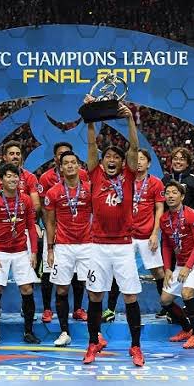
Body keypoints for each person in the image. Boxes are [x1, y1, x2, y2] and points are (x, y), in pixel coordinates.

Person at [83, 101, 144, 367]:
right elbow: (91, 145)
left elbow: (135, 148)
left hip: (123, 246)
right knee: (95, 296)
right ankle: (92, 343)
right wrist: (90, 118)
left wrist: (130, 120)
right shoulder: (95, 174)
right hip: (97, 246)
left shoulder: (128, 176)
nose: (111, 160)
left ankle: (136, 346)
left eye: (116, 158)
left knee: (130, 297)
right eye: (108, 156)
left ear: (122, 162)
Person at [0, 163, 40, 346]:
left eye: (15, 176)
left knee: (27, 289)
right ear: (0, 180)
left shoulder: (26, 200)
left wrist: (34, 252)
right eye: (8, 176)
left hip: (21, 251)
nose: (13, 179)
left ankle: (29, 332)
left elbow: (31, 227)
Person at [104, 149, 165, 323]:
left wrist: (155, 233)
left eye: (142, 159)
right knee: (118, 271)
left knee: (157, 271)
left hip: (147, 235)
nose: (138, 162)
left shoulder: (156, 183)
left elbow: (159, 209)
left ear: (149, 163)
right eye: (135, 159)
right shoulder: (123, 181)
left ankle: (166, 307)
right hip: (126, 236)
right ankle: (110, 309)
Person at [44, 151, 93, 346]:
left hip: (88, 245)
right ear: (61, 168)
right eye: (66, 163)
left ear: (79, 166)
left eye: (74, 162)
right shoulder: (53, 192)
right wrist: (50, 249)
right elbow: (50, 223)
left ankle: (95, 334)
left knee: (93, 289)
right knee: (62, 289)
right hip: (63, 246)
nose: (70, 165)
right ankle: (64, 332)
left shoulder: (90, 189)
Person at [159, 181, 194, 349]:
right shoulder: (164, 219)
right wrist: (167, 268)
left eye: (174, 192)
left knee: (187, 294)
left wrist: (188, 267)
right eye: (167, 193)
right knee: (165, 300)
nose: (170, 196)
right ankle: (187, 329)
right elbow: (166, 245)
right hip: (180, 264)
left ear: (182, 196)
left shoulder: (192, 215)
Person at [163, 146, 194, 212]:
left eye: (182, 159)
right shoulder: (165, 180)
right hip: (168, 218)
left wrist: (190, 216)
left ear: (187, 164)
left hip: (189, 218)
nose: (178, 162)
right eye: (175, 159)